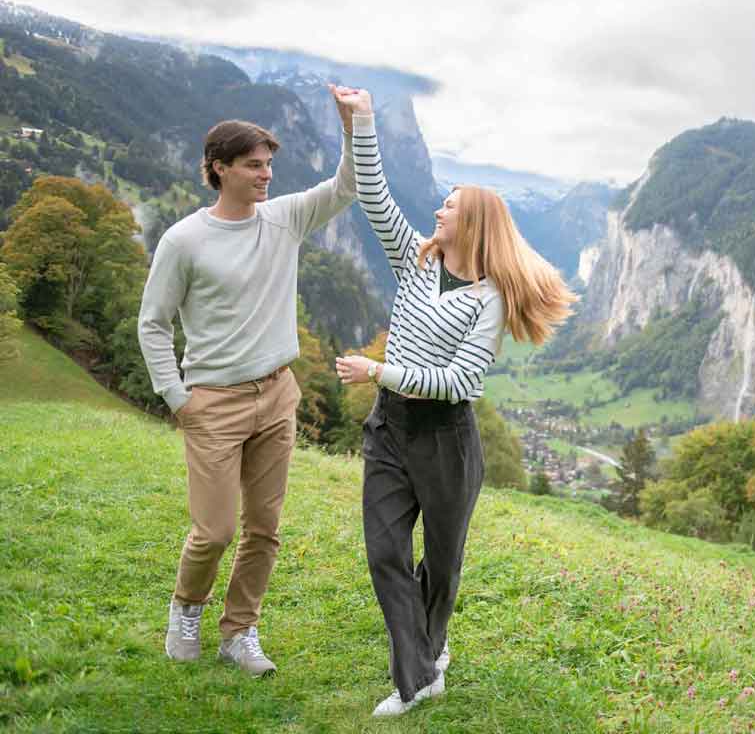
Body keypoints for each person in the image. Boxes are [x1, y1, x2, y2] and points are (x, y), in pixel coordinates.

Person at [335, 90, 578, 716]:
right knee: (387, 552)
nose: (438, 210)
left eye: (450, 206)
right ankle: (417, 677)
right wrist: (362, 119)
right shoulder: (413, 259)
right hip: (390, 429)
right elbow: (373, 192)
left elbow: (458, 382)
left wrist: (377, 370)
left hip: (446, 441)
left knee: (441, 568)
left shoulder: (489, 299)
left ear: (473, 225)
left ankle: (429, 648)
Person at [137, 87, 358, 676]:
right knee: (214, 529)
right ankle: (187, 607)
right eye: (254, 165)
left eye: (269, 166)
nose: (266, 175)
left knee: (264, 528)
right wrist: (178, 398)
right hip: (212, 402)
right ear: (219, 168)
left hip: (276, 394)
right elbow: (153, 324)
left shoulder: (283, 219)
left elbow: (346, 187)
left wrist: (351, 124)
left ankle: (240, 632)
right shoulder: (184, 241)